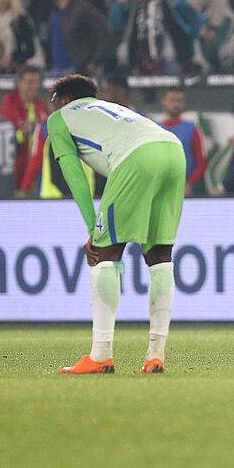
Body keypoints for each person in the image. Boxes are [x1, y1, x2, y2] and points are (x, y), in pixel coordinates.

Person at [47, 74, 186, 374]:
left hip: (135, 156)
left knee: (105, 256)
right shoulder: (110, 108)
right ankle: (155, 356)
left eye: (54, 103)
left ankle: (100, 355)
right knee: (160, 257)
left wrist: (92, 230)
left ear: (65, 100)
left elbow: (75, 177)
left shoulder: (59, 119)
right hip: (172, 149)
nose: (52, 109)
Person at [110, 0, 205, 75]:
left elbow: (196, 19)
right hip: (139, 60)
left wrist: (190, 36)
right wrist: (120, 6)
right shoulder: (133, 2)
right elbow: (117, 27)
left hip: (171, 58)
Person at [0, 65, 48, 191]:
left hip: (37, 173)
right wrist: (22, 133)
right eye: (29, 82)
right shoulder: (9, 106)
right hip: (14, 172)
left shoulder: (42, 106)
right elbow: (3, 141)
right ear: (19, 83)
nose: (34, 86)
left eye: (36, 82)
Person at [46, 0, 111, 75]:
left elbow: (105, 33)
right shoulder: (54, 11)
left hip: (77, 70)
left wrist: (93, 63)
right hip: (56, 70)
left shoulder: (83, 9)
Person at [159, 88, 208, 196]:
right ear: (164, 101)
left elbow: (202, 162)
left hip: (186, 191)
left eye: (179, 101)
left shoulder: (193, 129)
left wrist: (190, 183)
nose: (175, 104)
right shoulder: (155, 129)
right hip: (160, 189)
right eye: (172, 100)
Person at [180, 0, 234, 70]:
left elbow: (219, 3)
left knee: (216, 54)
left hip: (220, 20)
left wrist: (214, 27)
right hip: (197, 22)